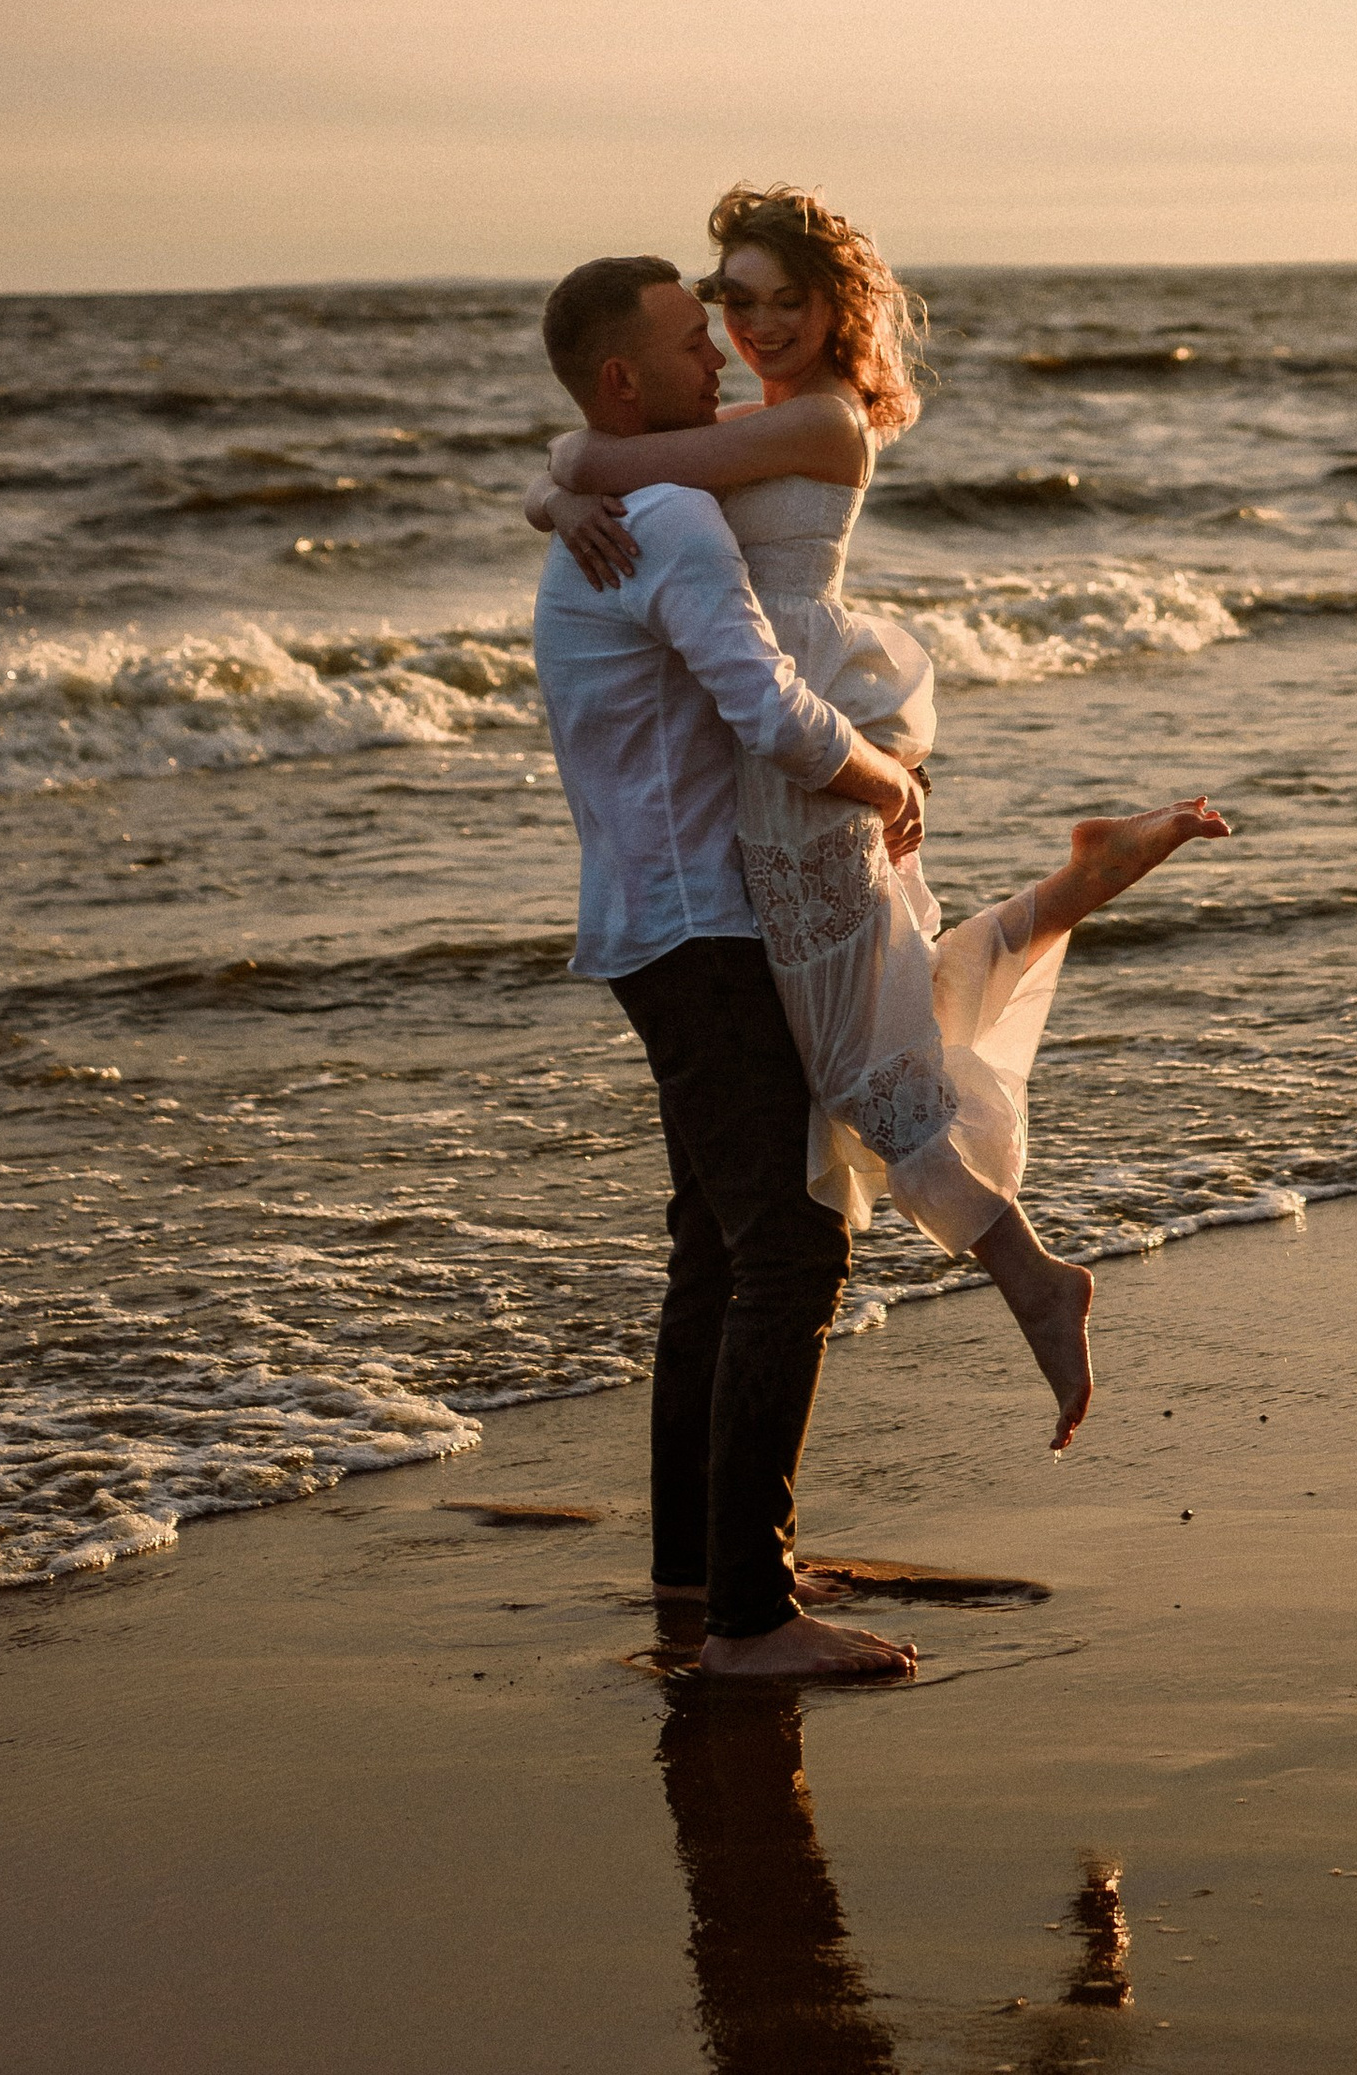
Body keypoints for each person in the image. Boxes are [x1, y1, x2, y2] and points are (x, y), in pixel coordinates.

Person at [530, 184, 1227, 1455]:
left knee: (861, 1054)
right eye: (734, 302)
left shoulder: (824, 420)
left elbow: (621, 457)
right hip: (785, 750)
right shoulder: (747, 423)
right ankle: (1069, 892)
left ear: (835, 306)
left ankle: (1032, 1274)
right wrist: (563, 490)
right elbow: (628, 461)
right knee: (869, 1020)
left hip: (805, 739)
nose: (755, 324)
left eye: (783, 300)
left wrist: (570, 478)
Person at [529, 248, 926, 1685]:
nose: (722, 361)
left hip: (657, 915)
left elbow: (582, 460)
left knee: (713, 1246)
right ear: (628, 377)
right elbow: (766, 708)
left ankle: (697, 1573)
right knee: (790, 1248)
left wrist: (566, 478)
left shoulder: (623, 506)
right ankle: (753, 1618)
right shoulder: (673, 520)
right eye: (696, 340)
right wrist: (886, 778)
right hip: (698, 926)